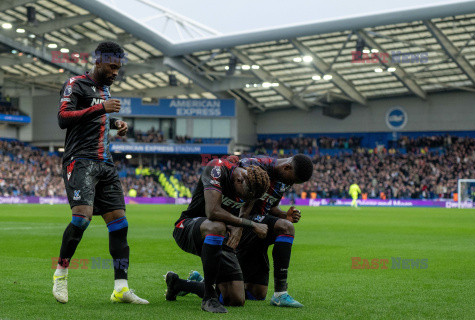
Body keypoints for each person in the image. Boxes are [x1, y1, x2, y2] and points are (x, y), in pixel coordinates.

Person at [52, 41, 148, 304]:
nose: (116, 72)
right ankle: (60, 273)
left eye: (119, 67)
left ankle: (120, 288)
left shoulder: (105, 89)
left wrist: (117, 123)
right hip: (80, 160)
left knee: (120, 224)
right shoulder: (75, 84)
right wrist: (101, 109)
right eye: (112, 66)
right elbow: (63, 118)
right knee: (81, 218)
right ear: (98, 62)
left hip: (105, 163)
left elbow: (98, 117)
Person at [171, 154, 314, 308]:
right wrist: (244, 225)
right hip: (223, 225)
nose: (290, 184)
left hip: (240, 226)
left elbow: (269, 207)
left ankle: (190, 284)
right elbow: (220, 210)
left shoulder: (268, 182)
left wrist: (283, 215)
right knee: (284, 227)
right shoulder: (244, 168)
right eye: (292, 180)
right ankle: (278, 293)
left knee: (252, 294)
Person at [166, 158, 270, 313]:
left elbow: (250, 200)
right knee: (216, 225)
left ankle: (178, 284)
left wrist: (238, 225)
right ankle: (209, 298)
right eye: (247, 195)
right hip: (188, 227)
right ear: (239, 180)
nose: (247, 200)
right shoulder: (217, 169)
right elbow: (212, 211)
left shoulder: (252, 182)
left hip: (220, 236)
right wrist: (249, 224)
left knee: (235, 299)